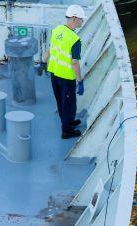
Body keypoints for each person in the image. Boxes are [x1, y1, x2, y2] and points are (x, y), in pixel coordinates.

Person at [39, 5, 86, 139]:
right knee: (70, 105)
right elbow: (75, 63)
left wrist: (43, 62)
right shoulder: (75, 40)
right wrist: (80, 81)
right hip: (66, 77)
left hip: (54, 74)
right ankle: (67, 131)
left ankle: (67, 122)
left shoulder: (57, 30)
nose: (82, 21)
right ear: (74, 18)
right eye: (81, 19)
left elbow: (50, 49)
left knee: (61, 101)